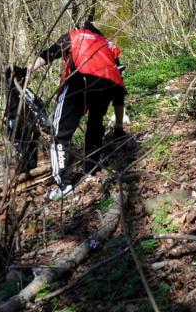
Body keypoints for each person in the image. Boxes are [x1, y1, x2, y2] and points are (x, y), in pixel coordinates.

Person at [29, 22, 127, 199]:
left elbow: (48, 55)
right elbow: (119, 88)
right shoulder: (108, 45)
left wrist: (28, 71)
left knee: (59, 133)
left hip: (79, 79)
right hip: (107, 84)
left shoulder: (74, 36)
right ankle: (92, 169)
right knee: (95, 125)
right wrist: (119, 127)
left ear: (83, 30)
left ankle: (64, 184)